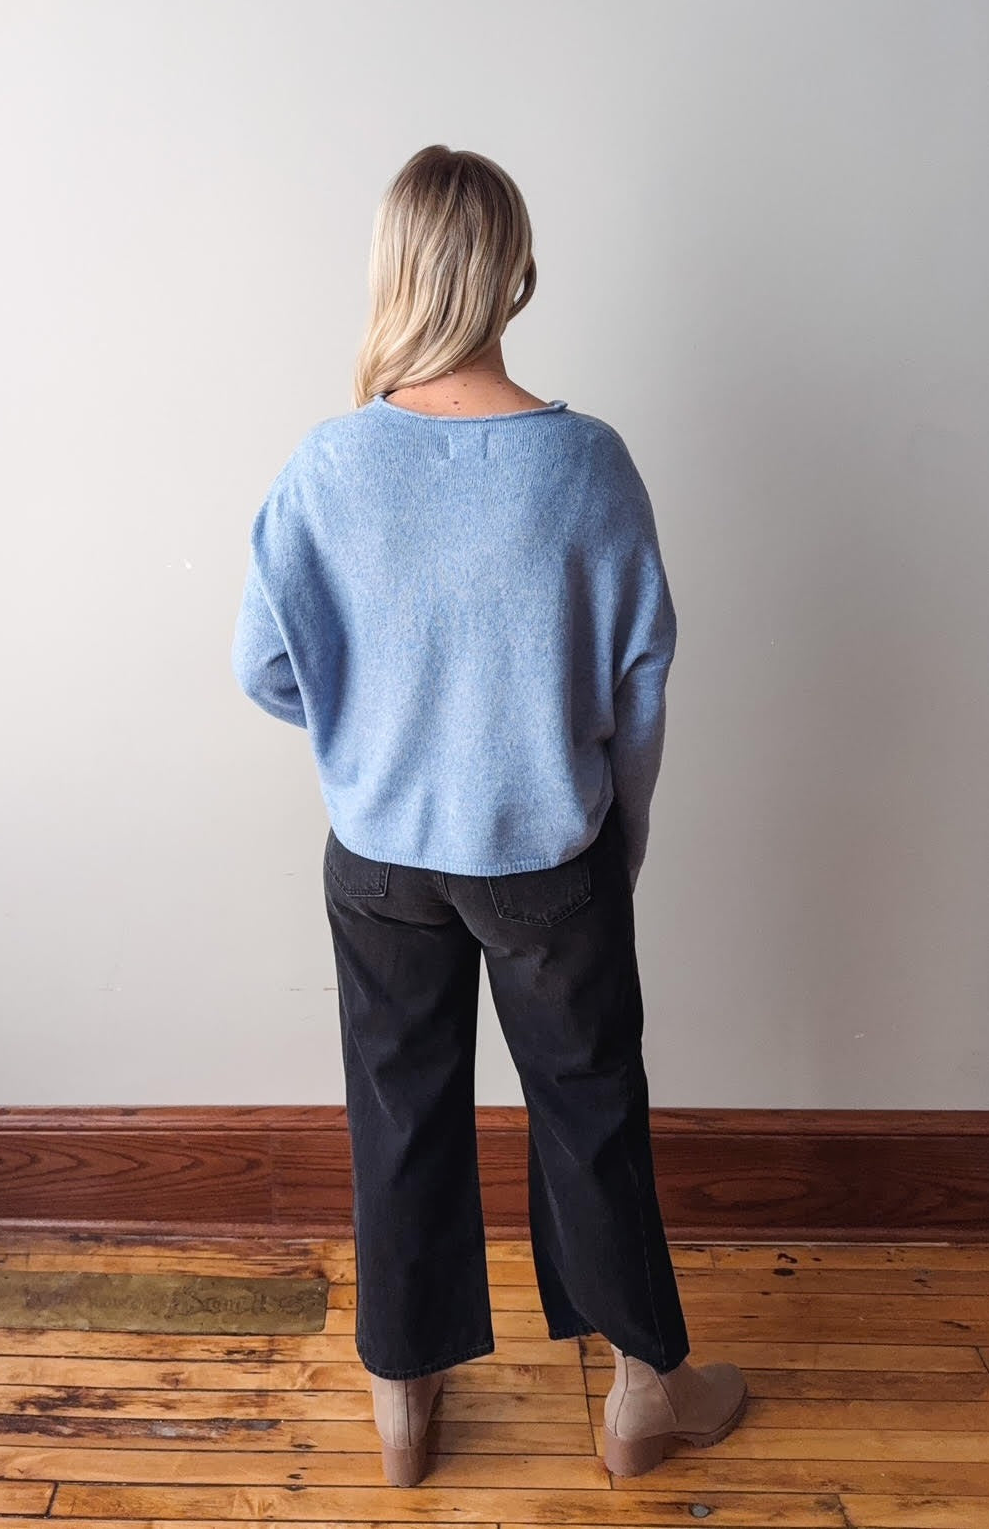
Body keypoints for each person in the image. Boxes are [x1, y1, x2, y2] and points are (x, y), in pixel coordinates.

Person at [231, 143, 747, 1487]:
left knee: (396, 1110)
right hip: (543, 855)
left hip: (382, 854)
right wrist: (614, 837)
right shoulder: (583, 463)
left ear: (393, 271)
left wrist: (373, 737)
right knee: (590, 1111)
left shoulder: (330, 462)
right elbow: (639, 685)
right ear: (515, 271)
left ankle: (403, 1404)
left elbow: (263, 663)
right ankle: (645, 1388)